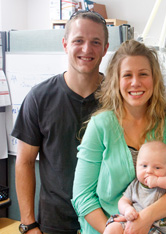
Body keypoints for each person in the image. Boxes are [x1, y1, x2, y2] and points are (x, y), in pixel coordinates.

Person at [72, 39, 166, 234]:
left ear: (154, 79)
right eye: (127, 75)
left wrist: (146, 218)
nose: (135, 82)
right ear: (117, 80)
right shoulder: (101, 126)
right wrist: (115, 230)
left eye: (143, 74)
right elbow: (82, 196)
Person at [12, 11, 109, 234]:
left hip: (107, 221)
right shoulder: (39, 98)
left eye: (96, 42)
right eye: (78, 41)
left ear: (105, 48)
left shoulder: (118, 98)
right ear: (65, 44)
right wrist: (28, 224)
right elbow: (25, 162)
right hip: (55, 224)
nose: (87, 49)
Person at [104, 141, 166, 234]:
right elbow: (123, 201)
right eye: (144, 166)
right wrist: (127, 209)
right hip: (132, 221)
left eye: (157, 168)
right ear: (137, 165)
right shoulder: (135, 184)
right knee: (112, 229)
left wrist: (158, 181)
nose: (149, 171)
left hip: (158, 229)